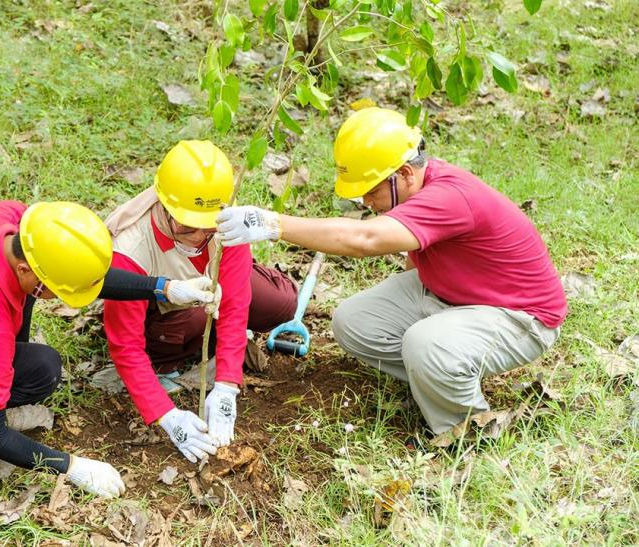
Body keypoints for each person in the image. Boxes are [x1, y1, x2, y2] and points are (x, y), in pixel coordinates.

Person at [215, 107, 568, 438]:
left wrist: (272, 223)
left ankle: (465, 429)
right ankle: (436, 376)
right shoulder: (420, 187)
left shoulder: (449, 197)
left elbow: (366, 239)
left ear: (403, 174)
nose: (367, 203)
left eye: (370, 192)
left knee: (426, 344)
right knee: (352, 321)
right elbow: (413, 253)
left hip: (520, 317)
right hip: (455, 296)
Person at [0, 200, 218, 498]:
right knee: (42, 371)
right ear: (24, 269)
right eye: (57, 291)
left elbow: (75, 271)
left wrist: (163, 288)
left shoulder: (17, 223)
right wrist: (71, 467)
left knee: (25, 342)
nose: (62, 298)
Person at [103, 140, 297, 462]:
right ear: (164, 206)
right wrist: (167, 416)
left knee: (281, 302)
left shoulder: (223, 224)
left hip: (210, 298)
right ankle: (169, 358)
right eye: (187, 225)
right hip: (163, 319)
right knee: (195, 318)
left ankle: (214, 339)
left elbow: (234, 307)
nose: (198, 235)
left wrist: (226, 385)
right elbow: (125, 345)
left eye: (207, 227)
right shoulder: (131, 249)